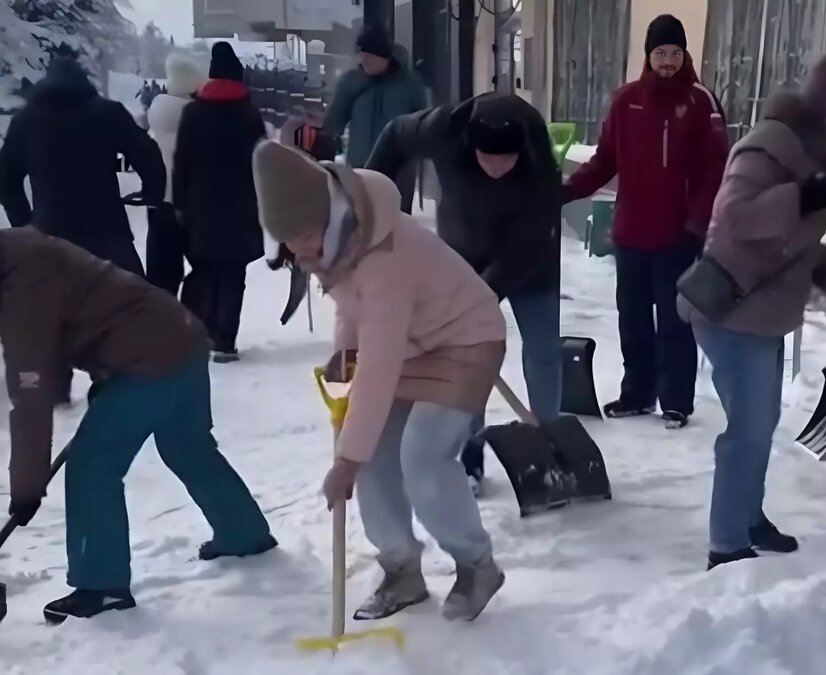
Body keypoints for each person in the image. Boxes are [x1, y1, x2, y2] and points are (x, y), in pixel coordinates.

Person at [252, 141, 507, 622]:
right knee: (375, 457)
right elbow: (354, 306)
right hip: (411, 341)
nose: (301, 250)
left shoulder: (383, 254)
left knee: (422, 457)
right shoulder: (338, 235)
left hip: (465, 342)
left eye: (305, 235)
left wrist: (345, 460)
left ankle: (477, 565)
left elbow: (379, 363)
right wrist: (344, 349)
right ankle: (401, 569)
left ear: (327, 213)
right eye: (288, 240)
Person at [0, 228, 276, 623]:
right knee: (188, 447)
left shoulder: (22, 287)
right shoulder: (21, 248)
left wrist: (27, 487)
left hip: (148, 361)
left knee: (93, 467)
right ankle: (244, 533)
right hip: (181, 335)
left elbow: (31, 393)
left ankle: (101, 585)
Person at [679, 55, 826, 570]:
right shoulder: (769, 148)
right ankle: (726, 542)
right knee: (746, 430)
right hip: (730, 311)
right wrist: (801, 196)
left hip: (759, 313)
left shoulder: (815, 159)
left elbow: (795, 249)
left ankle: (748, 519)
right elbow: (735, 219)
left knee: (760, 424)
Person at [367, 93, 562, 493]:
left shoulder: (540, 166)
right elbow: (395, 135)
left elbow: (524, 246)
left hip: (529, 263)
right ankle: (470, 455)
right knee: (469, 359)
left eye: (506, 159)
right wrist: (371, 198)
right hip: (462, 256)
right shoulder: (442, 129)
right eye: (487, 157)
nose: (496, 167)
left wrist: (480, 295)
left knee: (543, 351)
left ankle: (551, 440)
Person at [564, 14, 728, 429]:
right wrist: (567, 190)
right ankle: (637, 394)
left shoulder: (701, 102)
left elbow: (714, 170)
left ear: (685, 54)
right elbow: (605, 160)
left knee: (674, 321)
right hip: (632, 232)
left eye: (675, 53)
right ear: (648, 56)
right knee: (633, 319)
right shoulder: (626, 101)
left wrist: (698, 221)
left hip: (678, 234)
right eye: (660, 53)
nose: (668, 61)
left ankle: (676, 401)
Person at [0, 56, 166, 405]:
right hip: (107, 229)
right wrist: (152, 192)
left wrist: (23, 224)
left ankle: (56, 386)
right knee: (116, 305)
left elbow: (6, 178)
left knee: (49, 310)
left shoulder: (27, 120)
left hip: (49, 231)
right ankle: (114, 378)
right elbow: (147, 152)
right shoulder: (106, 112)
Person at [174, 42, 267, 363]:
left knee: (204, 270)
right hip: (241, 206)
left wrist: (181, 203)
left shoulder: (192, 113)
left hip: (201, 206)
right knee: (233, 273)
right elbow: (262, 163)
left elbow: (181, 162)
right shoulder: (250, 115)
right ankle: (225, 340)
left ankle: (199, 333)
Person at [324, 26, 427, 212]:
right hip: (360, 168)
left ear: (385, 56)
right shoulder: (351, 81)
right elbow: (334, 122)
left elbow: (422, 124)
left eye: (370, 55)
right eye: (362, 54)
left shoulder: (410, 85)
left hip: (398, 171)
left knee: (396, 222)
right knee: (361, 222)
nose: (364, 59)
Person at [146, 53, 207, 296]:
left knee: (162, 278)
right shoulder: (199, 117)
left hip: (160, 203)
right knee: (204, 272)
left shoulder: (157, 113)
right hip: (192, 204)